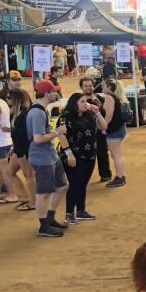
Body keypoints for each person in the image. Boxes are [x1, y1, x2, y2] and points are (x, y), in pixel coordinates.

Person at [27, 80, 69, 238]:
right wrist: (57, 132)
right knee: (43, 193)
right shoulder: (37, 113)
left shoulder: (41, 110)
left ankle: (49, 219)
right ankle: (44, 226)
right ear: (46, 93)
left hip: (49, 155)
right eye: (53, 91)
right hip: (41, 157)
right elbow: (38, 139)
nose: (56, 93)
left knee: (62, 185)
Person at [58, 91, 107, 225]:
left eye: (86, 101)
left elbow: (104, 126)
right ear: (74, 104)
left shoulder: (90, 115)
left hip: (90, 154)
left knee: (83, 184)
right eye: (82, 101)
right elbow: (61, 135)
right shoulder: (66, 117)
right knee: (75, 184)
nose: (86, 104)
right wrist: (69, 153)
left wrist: (97, 112)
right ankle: (69, 214)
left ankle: (81, 210)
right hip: (73, 156)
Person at [4, 88, 36, 212]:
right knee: (9, 171)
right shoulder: (17, 113)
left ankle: (33, 202)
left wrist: (17, 149)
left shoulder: (24, 114)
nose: (7, 100)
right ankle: (24, 197)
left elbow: (23, 135)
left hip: (24, 149)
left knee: (29, 175)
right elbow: (18, 133)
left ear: (16, 99)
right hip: (18, 149)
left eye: (9, 98)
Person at [101, 79, 128, 188]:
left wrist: (103, 126)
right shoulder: (116, 97)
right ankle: (121, 175)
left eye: (103, 85)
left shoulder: (109, 97)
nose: (102, 87)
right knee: (117, 154)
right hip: (120, 129)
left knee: (116, 155)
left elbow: (108, 116)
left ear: (109, 87)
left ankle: (120, 177)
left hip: (114, 130)